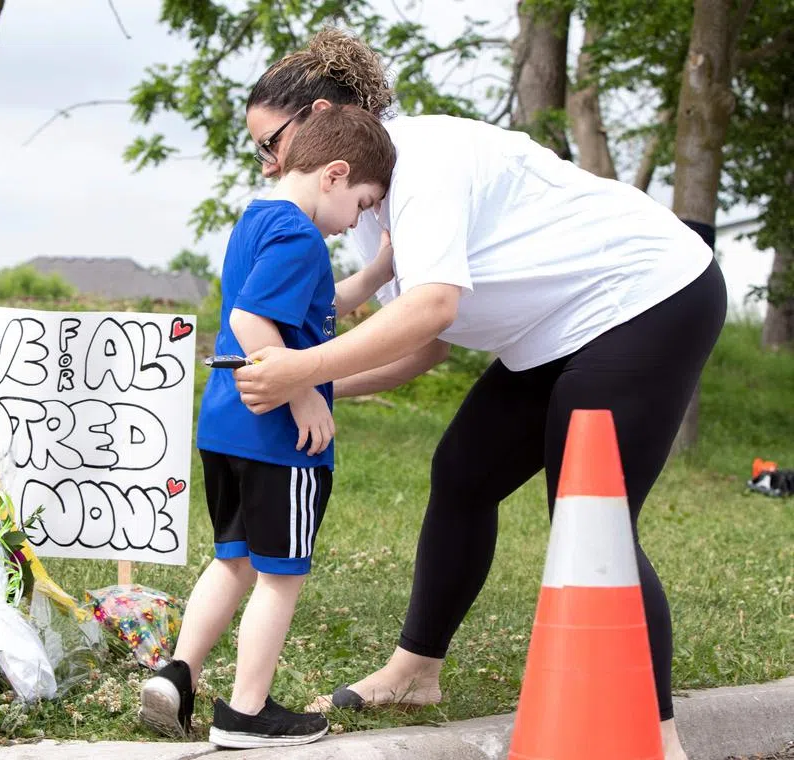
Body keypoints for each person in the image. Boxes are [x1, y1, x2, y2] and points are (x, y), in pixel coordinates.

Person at [231, 28, 727, 760]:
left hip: (647, 299)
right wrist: (305, 391)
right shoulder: (370, 207)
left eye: (270, 142)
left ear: (325, 116)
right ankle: (414, 672)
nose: (268, 164)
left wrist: (302, 373)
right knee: (463, 472)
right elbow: (421, 346)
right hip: (553, 330)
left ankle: (657, 739)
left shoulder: (426, 160)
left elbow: (431, 310)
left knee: (591, 516)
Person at [138, 104, 398, 749]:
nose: (360, 220)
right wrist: (306, 392)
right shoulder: (302, 237)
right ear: (335, 175)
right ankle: (247, 713)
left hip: (226, 427)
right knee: (282, 577)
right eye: (364, 204)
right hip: (277, 437)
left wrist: (377, 273)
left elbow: (310, 301)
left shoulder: (261, 220)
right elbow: (257, 319)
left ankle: (179, 673)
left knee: (232, 562)